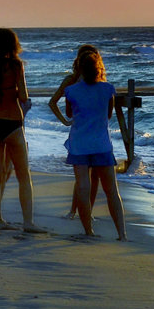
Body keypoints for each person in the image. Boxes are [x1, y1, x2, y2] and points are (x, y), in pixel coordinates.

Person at [55, 46, 127, 241]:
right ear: (99, 68)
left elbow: (70, 114)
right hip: (102, 143)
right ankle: (122, 233)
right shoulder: (108, 89)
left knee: (83, 187)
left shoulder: (71, 90)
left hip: (79, 143)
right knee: (111, 190)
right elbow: (109, 114)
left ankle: (88, 231)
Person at [0, 28, 43, 233]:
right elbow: (23, 96)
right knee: (24, 176)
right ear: (13, 46)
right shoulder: (16, 66)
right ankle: (28, 223)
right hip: (13, 124)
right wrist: (12, 93)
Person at [48, 45, 104, 218]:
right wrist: (66, 120)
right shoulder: (80, 81)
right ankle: (79, 211)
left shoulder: (78, 81)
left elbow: (56, 104)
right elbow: (54, 103)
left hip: (83, 130)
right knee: (88, 176)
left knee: (85, 176)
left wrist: (66, 120)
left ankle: (81, 211)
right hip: (92, 132)